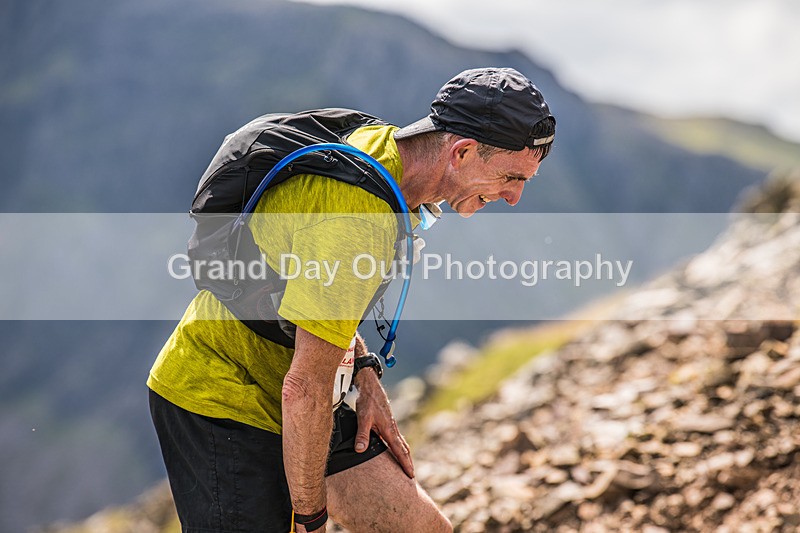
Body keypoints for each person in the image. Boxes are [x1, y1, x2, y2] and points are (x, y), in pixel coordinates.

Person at [148, 67, 556, 533]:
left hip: (300, 391)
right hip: (221, 396)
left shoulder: (384, 154)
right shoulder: (359, 220)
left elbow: (319, 296)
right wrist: (311, 518)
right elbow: (304, 389)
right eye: (510, 176)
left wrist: (364, 373)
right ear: (461, 152)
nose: (514, 197)